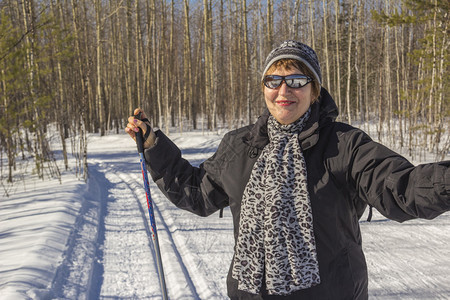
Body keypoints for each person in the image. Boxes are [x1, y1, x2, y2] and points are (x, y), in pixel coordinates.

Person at [125, 40, 449, 299]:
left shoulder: (343, 145)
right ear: (263, 86)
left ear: (314, 90)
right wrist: (154, 144)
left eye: (296, 80)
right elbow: (196, 192)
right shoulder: (240, 146)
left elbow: (400, 187)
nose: (283, 91)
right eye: (273, 80)